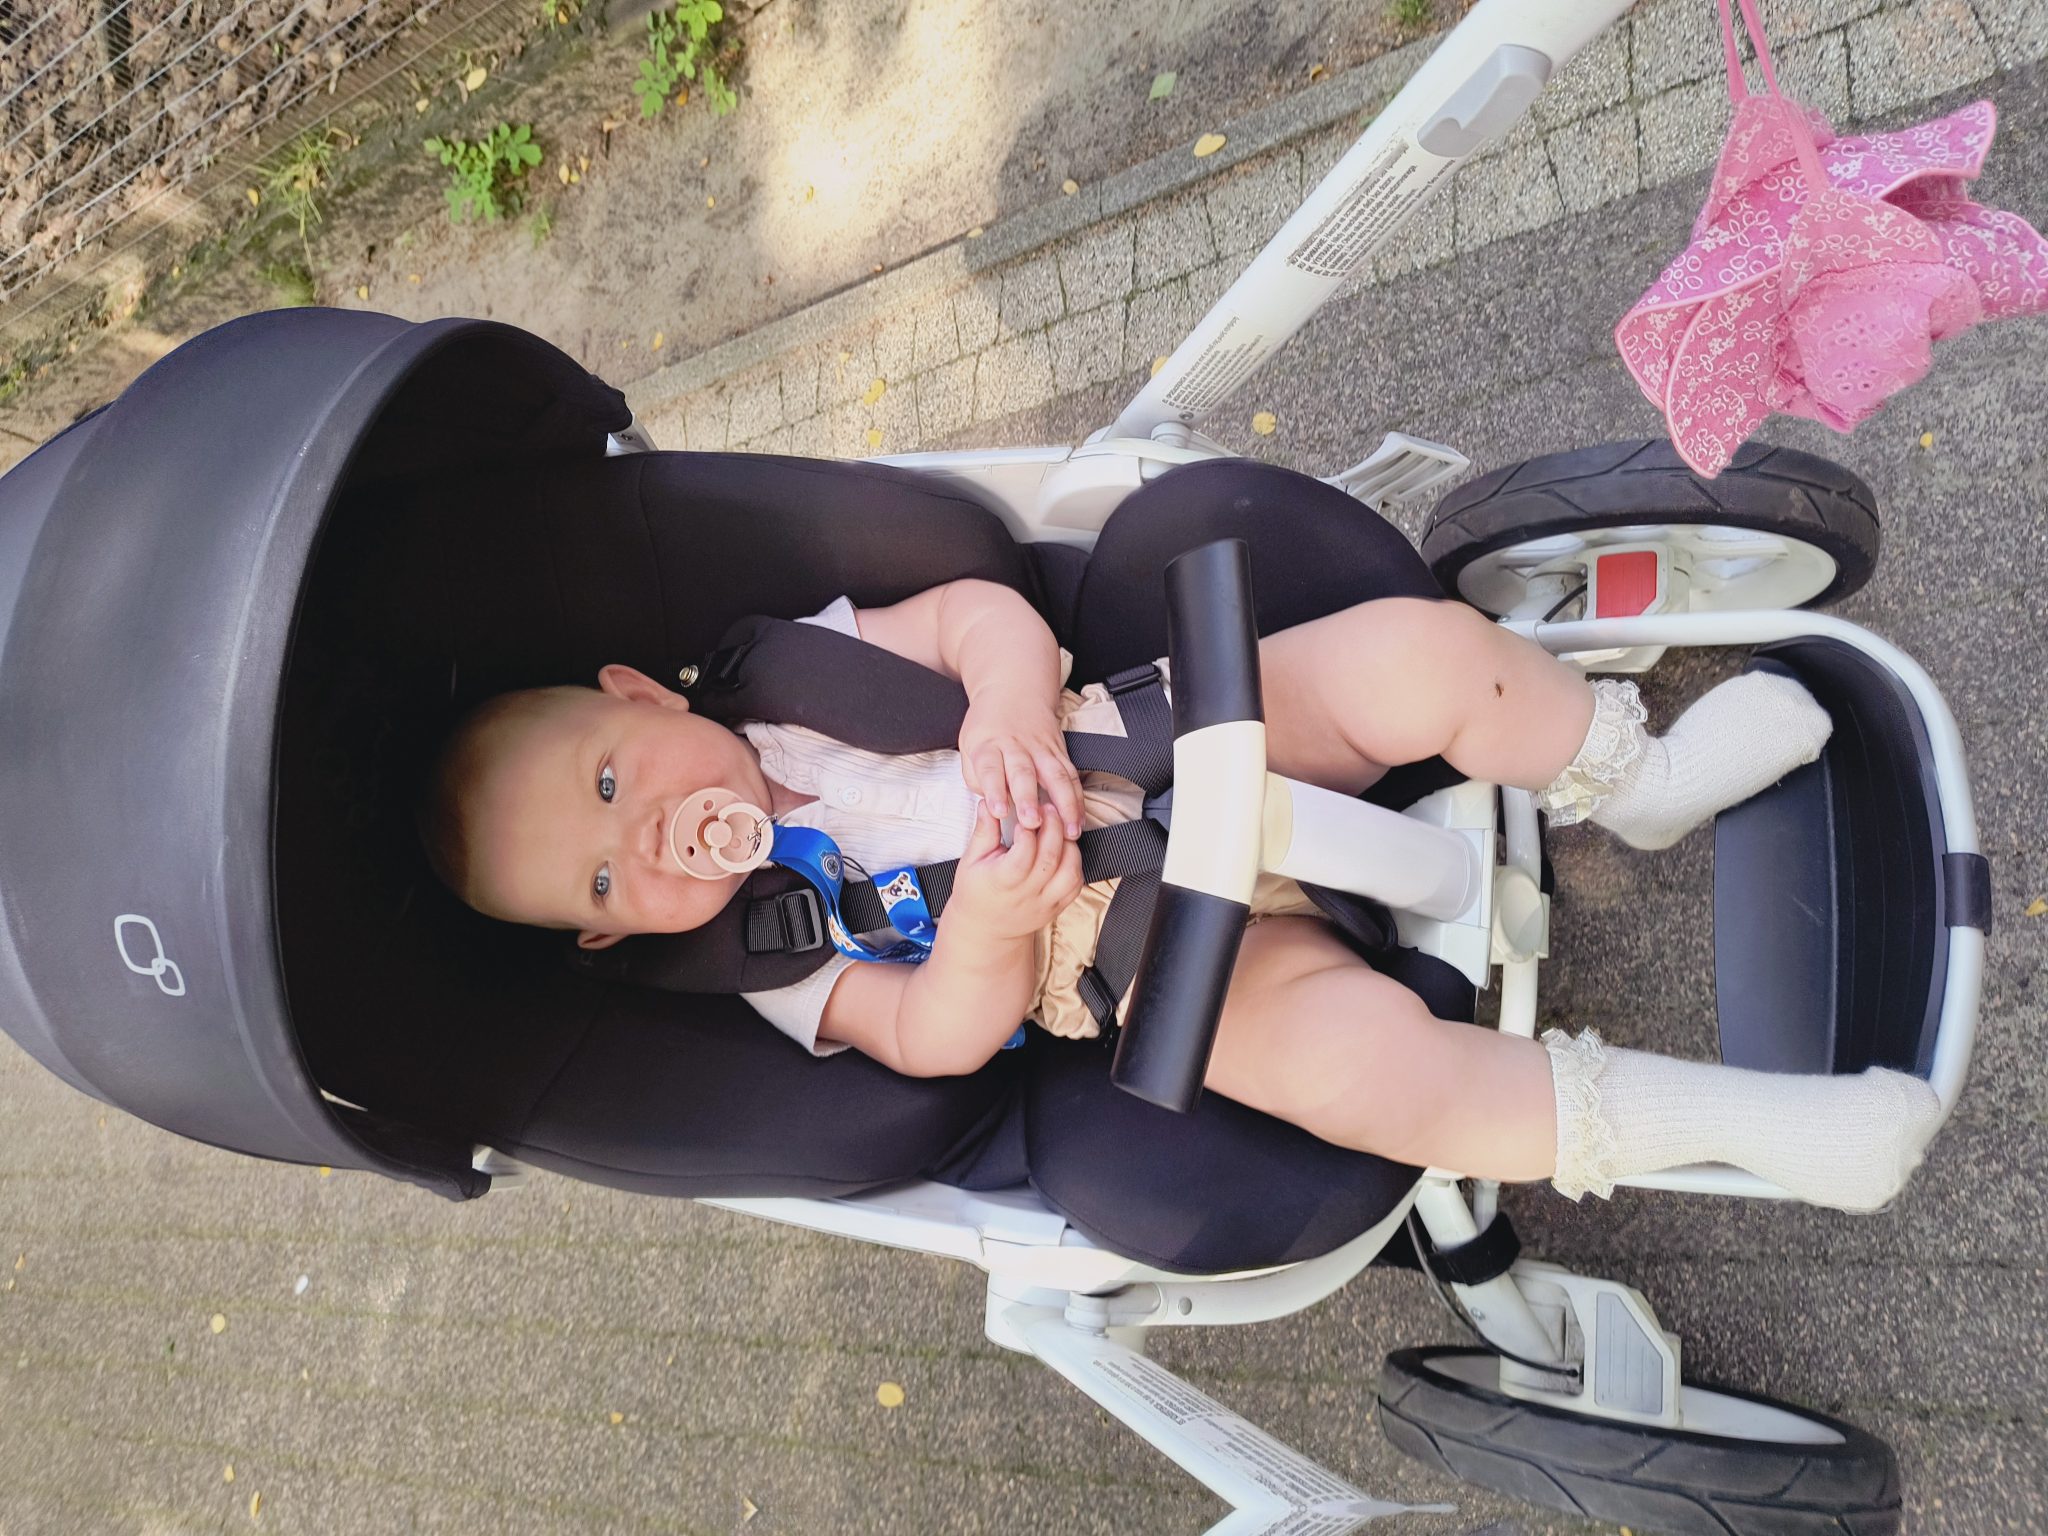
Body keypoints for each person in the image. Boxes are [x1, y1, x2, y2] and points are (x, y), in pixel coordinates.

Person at [419, 578, 1942, 1212]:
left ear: (642, 694)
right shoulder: (774, 960)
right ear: (610, 931)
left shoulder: (792, 670)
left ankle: (1638, 776)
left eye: (612, 780)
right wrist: (990, 930)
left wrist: (1005, 702)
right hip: (1146, 956)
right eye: (605, 875)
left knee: (1415, 653)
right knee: (1377, 1084)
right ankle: (1734, 1127)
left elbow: (978, 615)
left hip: (1159, 731)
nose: (654, 837)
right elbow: (933, 1041)